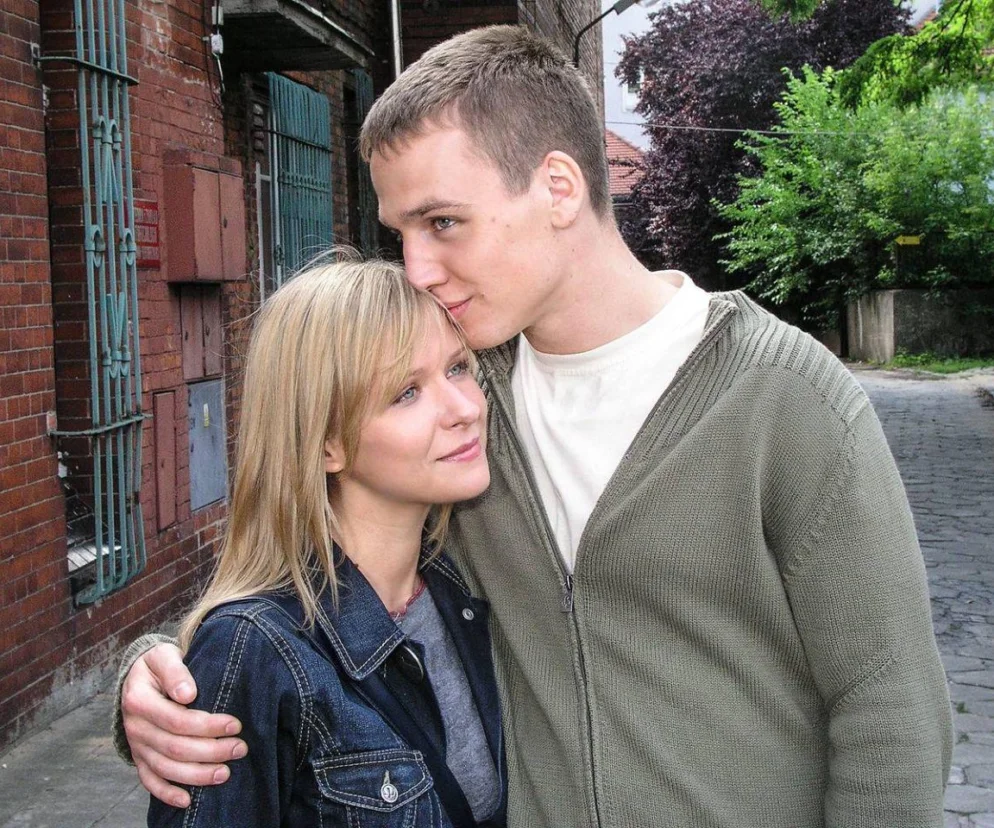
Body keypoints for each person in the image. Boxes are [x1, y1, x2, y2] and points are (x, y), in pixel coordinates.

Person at [118, 26, 952, 828]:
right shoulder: (467, 400)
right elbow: (318, 579)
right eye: (400, 233)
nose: (417, 269)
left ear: (558, 187)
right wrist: (159, 680)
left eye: (443, 222)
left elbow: (892, 714)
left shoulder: (786, 397)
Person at [143, 252, 506, 827]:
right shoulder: (257, 649)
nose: (465, 409)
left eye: (458, 368)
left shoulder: (460, 585)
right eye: (406, 392)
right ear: (326, 442)